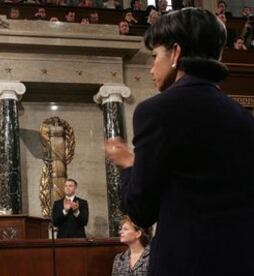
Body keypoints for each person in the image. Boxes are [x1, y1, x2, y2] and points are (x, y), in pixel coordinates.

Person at [105, 8, 254, 276]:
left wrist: (128, 164)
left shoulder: (156, 111)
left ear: (175, 53)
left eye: (154, 56)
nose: (150, 69)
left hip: (184, 262)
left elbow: (141, 210)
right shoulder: (244, 118)